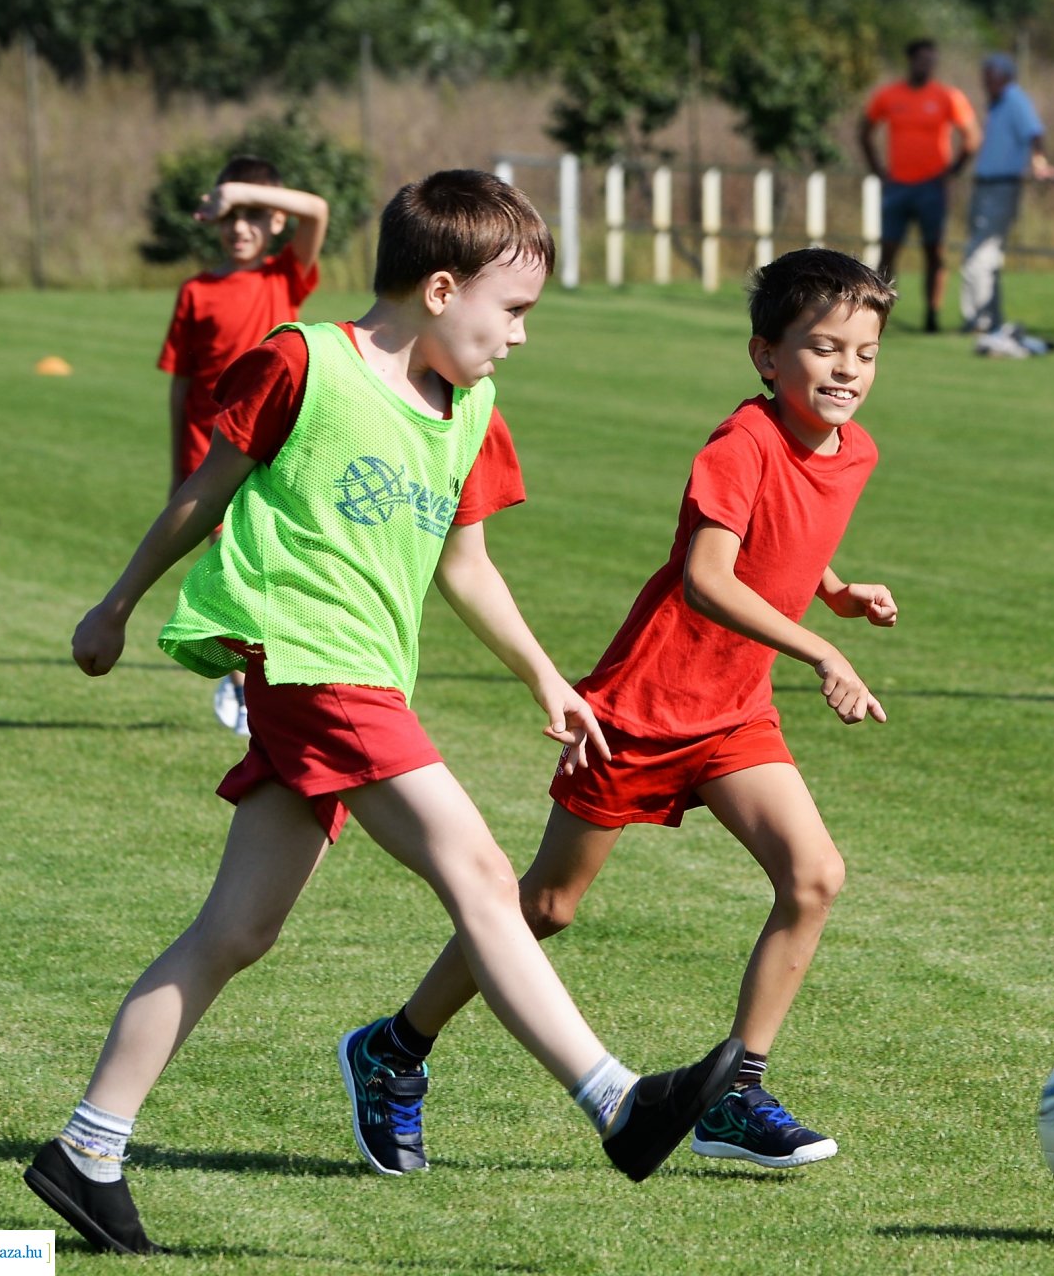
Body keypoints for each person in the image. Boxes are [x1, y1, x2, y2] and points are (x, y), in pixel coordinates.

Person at [25, 169, 742, 1257]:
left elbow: (468, 562)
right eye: (514, 312)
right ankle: (616, 1100)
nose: (521, 338)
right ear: (441, 288)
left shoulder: (470, 408)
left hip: (360, 676)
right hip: (311, 668)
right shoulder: (304, 361)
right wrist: (115, 603)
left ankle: (86, 1148)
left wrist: (546, 675)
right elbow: (203, 492)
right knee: (481, 871)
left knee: (236, 931)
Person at [343, 247, 898, 1174]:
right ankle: (395, 1047)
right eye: (823, 348)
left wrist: (832, 592)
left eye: (865, 353)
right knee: (547, 907)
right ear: (767, 356)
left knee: (813, 877)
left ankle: (735, 1093)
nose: (846, 370)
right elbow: (708, 575)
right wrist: (822, 649)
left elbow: (786, 542)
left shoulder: (855, 449)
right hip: (643, 708)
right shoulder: (741, 443)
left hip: (732, 714)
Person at [158, 156, 330, 740]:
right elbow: (182, 387)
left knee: (273, 566)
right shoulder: (196, 292)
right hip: (213, 454)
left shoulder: (285, 276)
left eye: (254, 216)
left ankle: (267, 681)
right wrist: (179, 468)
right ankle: (239, 680)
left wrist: (233, 189)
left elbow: (319, 211)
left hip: (281, 449)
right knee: (234, 571)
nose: (239, 228)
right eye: (230, 217)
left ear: (276, 221)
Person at [859, 38, 979, 333]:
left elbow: (972, 137)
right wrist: (878, 169)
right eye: (922, 59)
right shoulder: (889, 96)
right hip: (897, 186)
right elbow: (864, 130)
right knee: (888, 251)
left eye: (932, 60)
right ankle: (876, 313)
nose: (927, 65)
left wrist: (954, 169)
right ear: (910, 60)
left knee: (934, 252)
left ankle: (932, 316)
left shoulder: (946, 96)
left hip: (931, 188)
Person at [960, 53, 1054, 335]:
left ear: (1003, 76)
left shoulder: (1014, 99)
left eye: (989, 76)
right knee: (980, 254)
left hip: (1000, 186)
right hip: (987, 185)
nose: (985, 82)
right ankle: (985, 316)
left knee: (981, 255)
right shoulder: (999, 103)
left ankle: (982, 319)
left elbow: (1035, 133)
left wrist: (1039, 163)